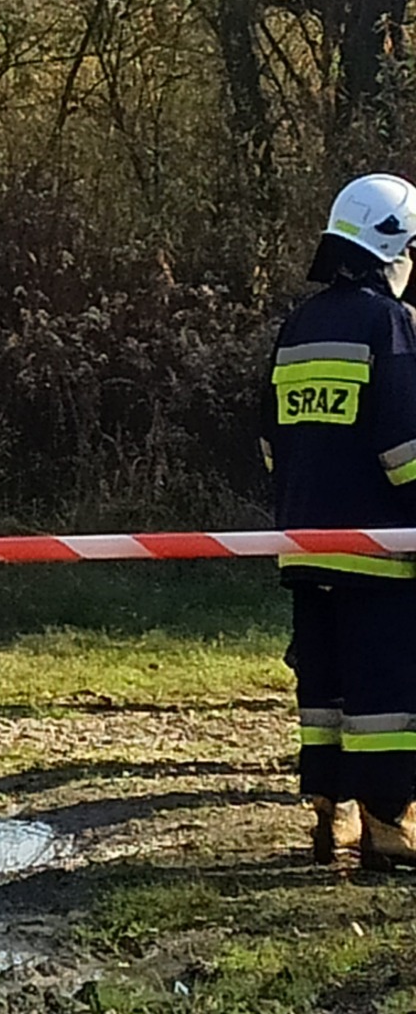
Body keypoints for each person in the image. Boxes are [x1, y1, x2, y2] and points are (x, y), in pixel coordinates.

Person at [265, 173, 416, 870]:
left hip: (304, 545)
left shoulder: (300, 325)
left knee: (322, 691)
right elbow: (405, 448)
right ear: (393, 249)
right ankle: (391, 826)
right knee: (384, 697)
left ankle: (333, 820)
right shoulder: (388, 325)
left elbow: (271, 441)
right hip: (379, 552)